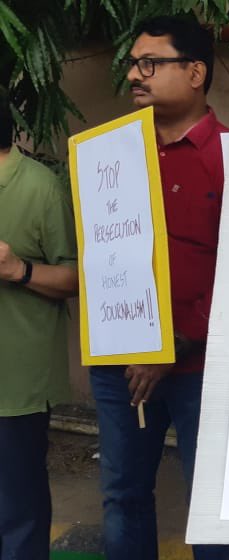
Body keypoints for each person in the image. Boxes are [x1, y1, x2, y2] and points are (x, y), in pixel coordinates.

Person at [89, 15, 229, 560]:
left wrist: (170, 345)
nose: (135, 75)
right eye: (132, 64)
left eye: (151, 63)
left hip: (202, 369)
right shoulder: (111, 156)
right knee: (122, 495)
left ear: (195, 72)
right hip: (119, 366)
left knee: (210, 508)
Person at [0, 98, 79, 560]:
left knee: (18, 507)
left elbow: (76, 278)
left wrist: (18, 270)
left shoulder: (39, 187)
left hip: (17, 384)